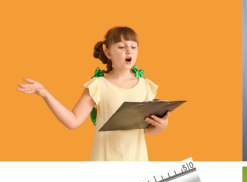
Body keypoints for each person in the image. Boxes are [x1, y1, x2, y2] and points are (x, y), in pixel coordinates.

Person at [16, 26, 169, 162]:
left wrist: (161, 126)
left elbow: (147, 130)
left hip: (137, 163)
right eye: (121, 46)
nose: (129, 51)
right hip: (104, 162)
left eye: (133, 47)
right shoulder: (98, 85)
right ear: (108, 53)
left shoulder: (145, 86)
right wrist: (46, 94)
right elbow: (73, 121)